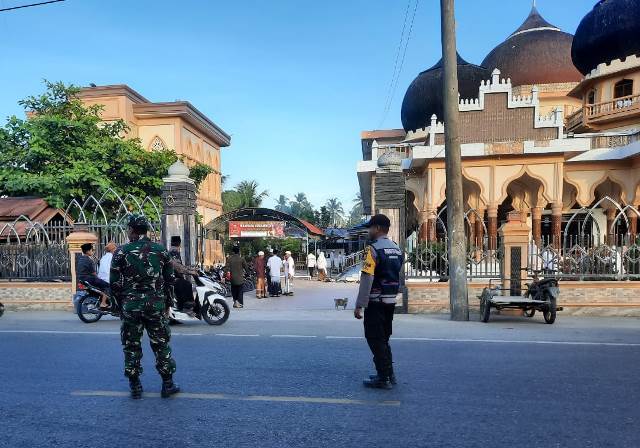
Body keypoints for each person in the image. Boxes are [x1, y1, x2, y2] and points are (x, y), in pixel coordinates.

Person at [110, 214, 179, 400]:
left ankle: (135, 386)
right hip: (155, 305)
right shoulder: (160, 251)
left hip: (131, 306)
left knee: (131, 345)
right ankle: (167, 384)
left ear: (131, 230)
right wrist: (167, 304)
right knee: (161, 344)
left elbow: (114, 284)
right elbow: (170, 281)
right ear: (146, 230)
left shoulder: (121, 252)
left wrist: (119, 307)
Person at [354, 214, 403, 390]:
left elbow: (367, 278)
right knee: (384, 338)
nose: (368, 231)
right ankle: (389, 374)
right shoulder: (396, 249)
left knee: (375, 338)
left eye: (370, 228)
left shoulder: (372, 250)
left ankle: (384, 378)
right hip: (390, 302)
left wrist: (360, 304)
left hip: (375, 302)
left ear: (377, 228)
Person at [169, 236, 197, 317]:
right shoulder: (174, 252)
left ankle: (181, 307)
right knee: (187, 284)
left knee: (184, 283)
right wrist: (191, 272)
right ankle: (187, 307)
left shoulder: (173, 251)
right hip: (172, 277)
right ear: (179, 243)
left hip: (174, 276)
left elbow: (180, 266)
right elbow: (178, 268)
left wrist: (191, 269)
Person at [77, 243, 110, 310]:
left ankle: (101, 298)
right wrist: (99, 278)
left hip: (81, 279)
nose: (93, 251)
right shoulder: (89, 260)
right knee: (107, 286)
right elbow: (94, 273)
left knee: (100, 286)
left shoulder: (80, 259)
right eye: (92, 250)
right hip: (90, 279)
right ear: (88, 251)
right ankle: (103, 303)